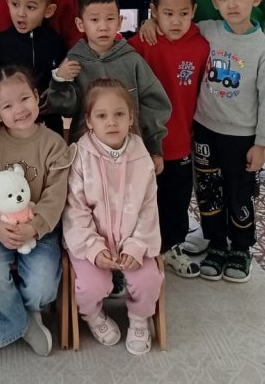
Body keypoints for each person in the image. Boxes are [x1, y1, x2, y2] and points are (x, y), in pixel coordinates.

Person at [62, 78, 164, 355]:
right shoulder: (80, 156)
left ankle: (139, 319)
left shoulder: (141, 156)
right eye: (102, 116)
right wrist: (94, 248)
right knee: (90, 286)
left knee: (148, 280)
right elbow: (75, 210)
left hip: (133, 240)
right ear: (89, 121)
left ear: (130, 118)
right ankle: (92, 315)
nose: (111, 122)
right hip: (91, 244)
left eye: (119, 114)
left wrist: (136, 246)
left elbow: (148, 208)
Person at [0, 65, 72, 356]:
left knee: (43, 283)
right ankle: (21, 323)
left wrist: (34, 226)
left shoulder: (53, 144)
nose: (19, 110)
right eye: (7, 106)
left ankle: (29, 310)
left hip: (39, 229)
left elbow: (57, 194)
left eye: (24, 99)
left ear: (36, 96)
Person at [193, 0, 265, 284]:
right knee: (208, 192)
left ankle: (241, 248)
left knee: (239, 194)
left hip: (242, 138)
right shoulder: (207, 30)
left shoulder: (264, 49)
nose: (232, 4)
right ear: (214, 2)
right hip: (205, 130)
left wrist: (262, 144)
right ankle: (216, 243)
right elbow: (174, 26)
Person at [128, 0, 209, 278]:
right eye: (168, 14)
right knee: (140, 200)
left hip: (180, 142)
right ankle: (136, 249)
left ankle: (172, 247)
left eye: (183, 14)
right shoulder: (142, 43)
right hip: (144, 143)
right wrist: (144, 26)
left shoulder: (201, 46)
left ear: (194, 11)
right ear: (154, 12)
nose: (176, 21)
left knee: (176, 199)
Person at [48, 0, 170, 170]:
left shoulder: (133, 61)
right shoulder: (73, 63)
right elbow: (65, 109)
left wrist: (154, 147)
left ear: (119, 22)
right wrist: (60, 81)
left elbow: (155, 104)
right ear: (80, 24)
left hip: (130, 156)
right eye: (94, 19)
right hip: (87, 160)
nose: (103, 27)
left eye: (110, 19)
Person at [0, 0, 67, 134]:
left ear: (49, 10)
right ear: (8, 1)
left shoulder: (56, 42)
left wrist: (56, 90)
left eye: (31, 7)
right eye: (15, 4)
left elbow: (64, 84)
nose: (20, 13)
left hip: (49, 122)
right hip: (9, 127)